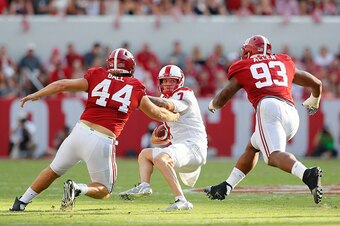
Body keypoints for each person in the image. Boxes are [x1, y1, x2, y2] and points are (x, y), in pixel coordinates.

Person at [9, 48, 180, 212]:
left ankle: (22, 201)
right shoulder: (135, 86)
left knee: (53, 170)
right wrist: (175, 117)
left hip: (78, 133)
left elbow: (62, 85)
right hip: (102, 140)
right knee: (105, 190)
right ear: (131, 66)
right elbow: (157, 113)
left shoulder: (97, 75)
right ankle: (78, 188)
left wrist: (37, 94)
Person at [205, 35, 323, 204]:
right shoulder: (283, 61)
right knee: (253, 146)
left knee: (272, 156)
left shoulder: (244, 65)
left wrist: (212, 105)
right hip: (292, 113)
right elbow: (317, 83)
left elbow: (224, 95)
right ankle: (226, 186)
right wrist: (314, 100)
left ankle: (307, 174)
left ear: (248, 51)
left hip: (269, 108)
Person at [119, 65, 207, 211]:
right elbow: (169, 125)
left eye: (171, 81)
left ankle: (181, 200)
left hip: (193, 147)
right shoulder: (163, 97)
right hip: (183, 148)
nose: (167, 84)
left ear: (179, 82)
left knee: (161, 158)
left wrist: (141, 98)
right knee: (144, 155)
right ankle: (144, 186)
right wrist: (162, 137)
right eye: (164, 81)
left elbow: (169, 105)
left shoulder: (185, 93)